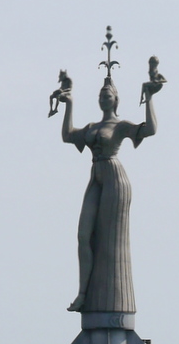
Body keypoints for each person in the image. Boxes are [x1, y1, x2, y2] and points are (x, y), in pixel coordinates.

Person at [58, 67, 162, 313]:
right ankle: (83, 293)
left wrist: (150, 97)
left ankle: (106, 299)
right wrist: (69, 103)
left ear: (116, 99)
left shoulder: (120, 126)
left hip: (115, 178)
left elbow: (150, 130)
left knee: (109, 241)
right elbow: (67, 135)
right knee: (84, 236)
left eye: (108, 95)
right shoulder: (92, 126)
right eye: (101, 95)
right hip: (96, 176)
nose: (104, 98)